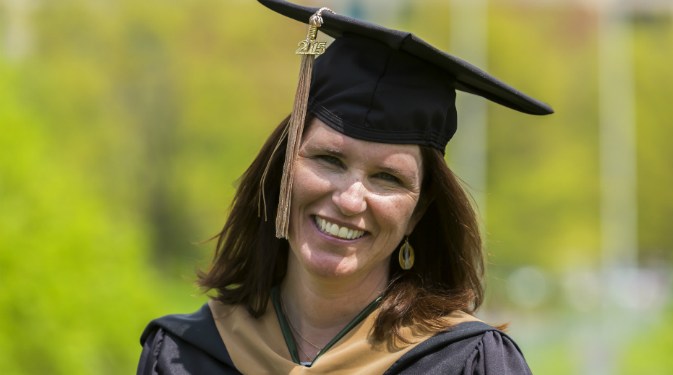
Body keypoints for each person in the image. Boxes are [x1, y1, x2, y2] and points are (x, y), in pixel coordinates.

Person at [137, 0, 553, 374]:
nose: (350, 199)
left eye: (387, 178)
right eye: (329, 160)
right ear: (285, 167)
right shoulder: (181, 357)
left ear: (419, 211)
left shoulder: (467, 364)